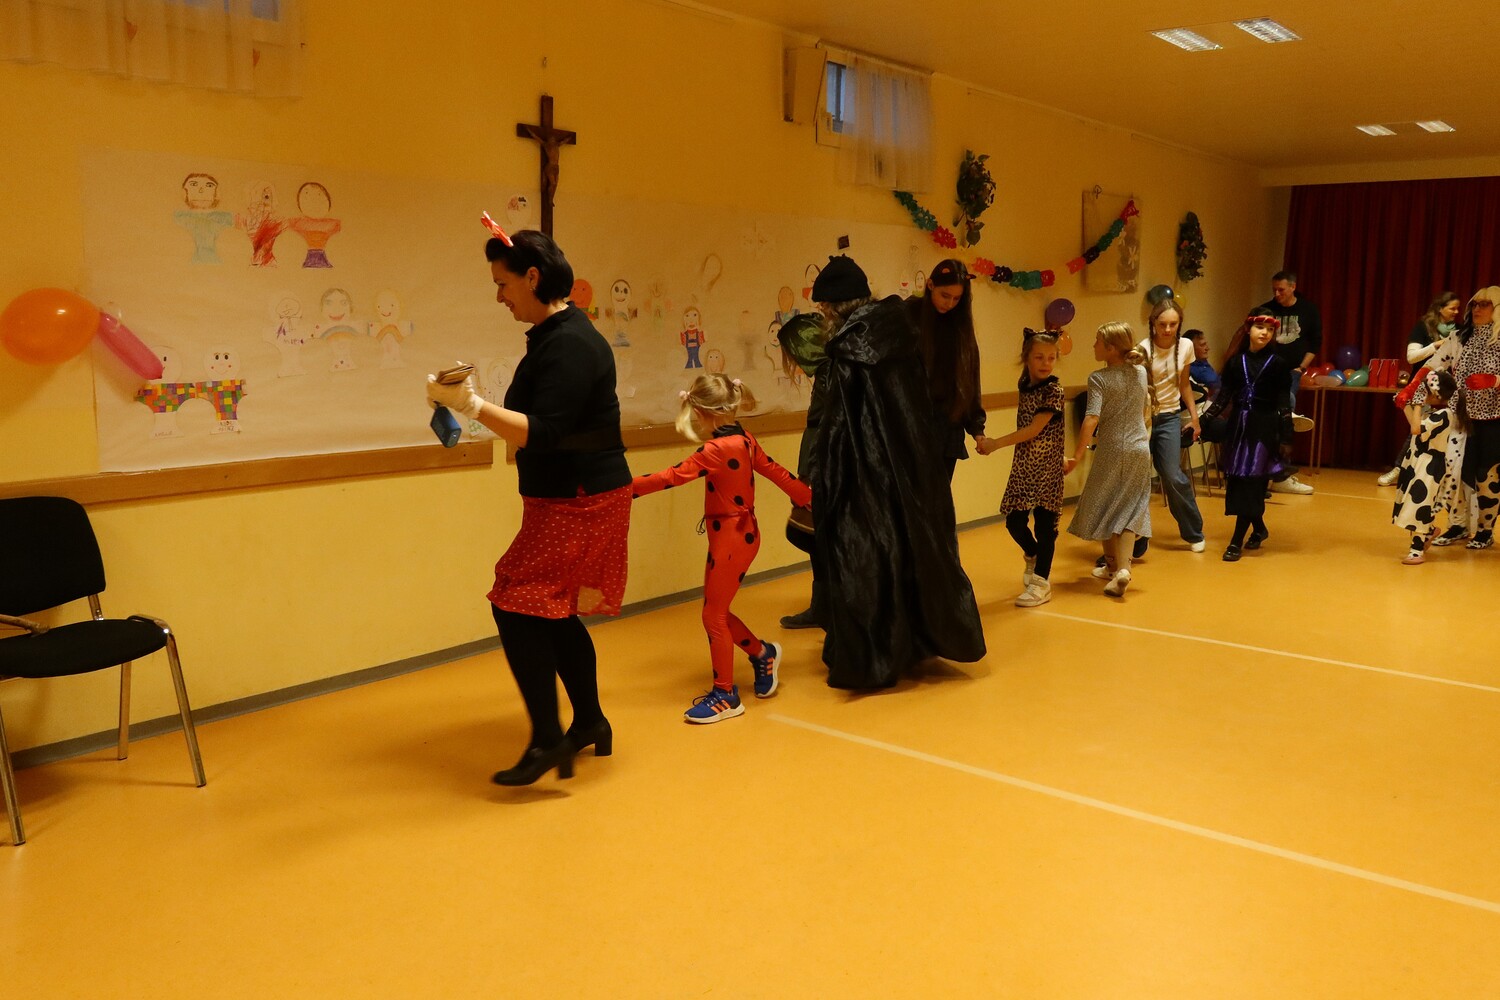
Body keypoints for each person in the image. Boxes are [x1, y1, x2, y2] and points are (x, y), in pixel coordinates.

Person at [425, 224, 629, 786]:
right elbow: (536, 426)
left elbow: (544, 431)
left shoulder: (570, 343)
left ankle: (548, 738)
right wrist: (461, 405)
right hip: (567, 496)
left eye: (503, 284)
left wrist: (470, 405)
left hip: (581, 498)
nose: (499, 296)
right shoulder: (553, 336)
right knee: (551, 609)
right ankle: (589, 722)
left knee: (515, 602)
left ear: (532, 277)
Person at [807, 255, 986, 688]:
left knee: (867, 554)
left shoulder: (852, 349)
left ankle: (877, 651)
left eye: (825, 308)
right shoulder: (901, 331)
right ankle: (916, 641)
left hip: (865, 474)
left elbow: (840, 424)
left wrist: (823, 475)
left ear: (835, 307)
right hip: (913, 465)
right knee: (912, 545)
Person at [631, 374, 811, 723]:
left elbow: (670, 477)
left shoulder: (716, 449)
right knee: (718, 611)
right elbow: (776, 471)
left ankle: (726, 695)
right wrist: (807, 497)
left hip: (732, 538)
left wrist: (623, 489)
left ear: (700, 411)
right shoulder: (743, 439)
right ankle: (763, 654)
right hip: (735, 535)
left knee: (712, 616)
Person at [976, 328, 1070, 608]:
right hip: (1024, 466)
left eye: (1051, 358)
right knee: (1014, 522)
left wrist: (995, 443)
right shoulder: (1024, 383)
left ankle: (1042, 582)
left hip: (1047, 469)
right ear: (1026, 358)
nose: (1046, 363)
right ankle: (1033, 554)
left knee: (1045, 526)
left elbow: (1034, 429)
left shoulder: (1053, 390)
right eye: (1039, 357)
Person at [1069, 321, 1152, 597]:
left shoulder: (1099, 378)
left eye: (1097, 341)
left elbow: (1092, 417)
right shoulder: (1140, 372)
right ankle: (1120, 569)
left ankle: (1116, 567)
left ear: (1111, 348)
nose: (1093, 345)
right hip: (1139, 447)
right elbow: (1143, 410)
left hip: (1112, 448)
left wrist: (1077, 454)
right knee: (1130, 507)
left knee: (1103, 501)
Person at [1201, 314, 1294, 561]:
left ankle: (1235, 542)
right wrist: (1202, 420)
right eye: (1259, 327)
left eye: (1269, 330)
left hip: (1264, 429)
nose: (1264, 333)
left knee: (1251, 484)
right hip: (1239, 429)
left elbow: (1283, 403)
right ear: (1248, 329)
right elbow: (1223, 398)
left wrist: (1286, 437)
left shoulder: (1278, 364)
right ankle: (1259, 528)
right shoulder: (1236, 363)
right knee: (1239, 482)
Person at [1416, 286, 1500, 549]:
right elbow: (1433, 365)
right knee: (1455, 472)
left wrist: (1495, 380)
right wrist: (1413, 387)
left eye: (1484, 304)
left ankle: (1485, 531)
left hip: (1494, 419)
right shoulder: (1459, 337)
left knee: (1487, 476)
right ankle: (1458, 525)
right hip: (1461, 417)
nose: (1477, 309)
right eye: (1474, 304)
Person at [905, 258, 985, 484]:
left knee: (938, 498)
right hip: (912, 424)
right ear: (930, 285)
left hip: (947, 426)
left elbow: (970, 379)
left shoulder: (961, 326)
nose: (950, 303)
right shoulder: (909, 314)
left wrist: (977, 428)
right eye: (945, 295)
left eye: (957, 298)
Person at [1136, 299, 1207, 553]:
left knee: (1172, 475)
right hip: (1143, 418)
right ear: (1153, 323)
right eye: (1162, 324)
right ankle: (1135, 537)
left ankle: (1193, 532)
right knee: (1137, 479)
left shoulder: (1185, 345)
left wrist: (1194, 418)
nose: (1167, 329)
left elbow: (1184, 384)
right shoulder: (1143, 349)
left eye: (1173, 324)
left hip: (1169, 417)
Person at [776, 312, 829, 630]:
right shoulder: (826, 376)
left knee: (817, 539)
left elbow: (824, 431)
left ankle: (828, 609)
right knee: (816, 541)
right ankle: (822, 607)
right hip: (815, 468)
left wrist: (810, 477)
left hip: (821, 471)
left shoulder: (829, 378)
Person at [1379, 292, 1463, 486]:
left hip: (1448, 391)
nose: (1456, 312)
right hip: (1422, 387)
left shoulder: (1459, 331)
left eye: (1458, 308)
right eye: (1452, 308)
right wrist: (1436, 345)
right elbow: (1412, 357)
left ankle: (1438, 474)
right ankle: (1399, 469)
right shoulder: (1423, 327)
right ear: (1440, 308)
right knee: (1418, 430)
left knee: (1443, 432)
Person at [1253, 270, 1320, 495]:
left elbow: (1315, 342)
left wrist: (1301, 367)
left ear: (1293, 287)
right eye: (1274, 290)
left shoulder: (1308, 310)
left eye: (1281, 290)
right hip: (1267, 370)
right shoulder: (1266, 310)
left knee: (1284, 411)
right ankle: (1271, 473)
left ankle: (1279, 473)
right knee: (1275, 416)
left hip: (1292, 372)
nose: (1277, 294)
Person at [1392, 370, 1463, 564]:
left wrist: (1416, 404)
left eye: (1425, 390)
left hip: (1429, 465)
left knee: (1419, 505)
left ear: (1436, 395)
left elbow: (1416, 429)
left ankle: (1416, 550)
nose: (1422, 392)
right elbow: (1416, 427)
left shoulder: (1445, 414)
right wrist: (1405, 405)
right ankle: (1430, 531)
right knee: (1413, 502)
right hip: (1417, 461)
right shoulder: (1434, 412)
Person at [1185, 328, 1220, 403]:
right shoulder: (1188, 369)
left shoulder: (1203, 362)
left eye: (1206, 344)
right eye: (1202, 345)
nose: (1207, 348)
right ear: (1190, 349)